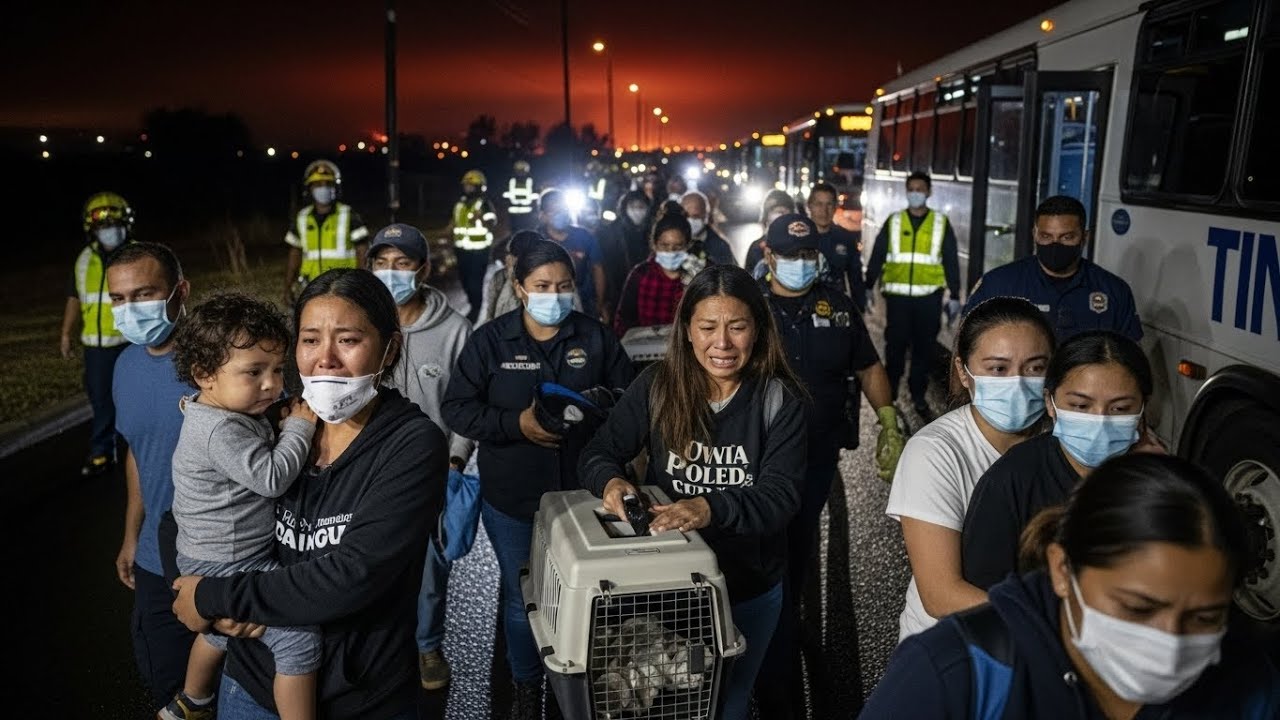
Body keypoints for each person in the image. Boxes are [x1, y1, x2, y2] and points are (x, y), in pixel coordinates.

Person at [171, 268, 448, 719]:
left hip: (360, 698)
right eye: (310, 339)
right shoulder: (272, 418)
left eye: (348, 340)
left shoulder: (411, 445)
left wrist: (214, 597)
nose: (326, 359)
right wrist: (193, 585)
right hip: (251, 683)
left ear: (389, 348)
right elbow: (188, 505)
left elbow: (350, 575)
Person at [862, 453, 1280, 719]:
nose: (1170, 644)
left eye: (1205, 617)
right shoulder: (955, 675)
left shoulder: (1249, 686)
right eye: (1136, 608)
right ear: (1063, 570)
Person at [580, 263, 807, 720]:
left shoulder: (779, 401)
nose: (721, 343)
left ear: (758, 332)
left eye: (737, 327)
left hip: (748, 588)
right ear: (686, 330)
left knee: (727, 701)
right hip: (670, 587)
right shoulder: (658, 386)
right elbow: (599, 450)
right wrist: (612, 481)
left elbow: (781, 497)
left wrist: (708, 507)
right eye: (707, 327)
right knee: (668, 700)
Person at [441, 239, 635, 719]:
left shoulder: (596, 337)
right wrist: (516, 425)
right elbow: (458, 409)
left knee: (590, 595)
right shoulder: (490, 341)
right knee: (521, 597)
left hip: (584, 495)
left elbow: (633, 402)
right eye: (543, 286)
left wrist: (600, 407)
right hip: (513, 498)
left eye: (564, 286)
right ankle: (526, 687)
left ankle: (582, 684)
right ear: (519, 287)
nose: (554, 295)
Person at [755, 213, 904, 717]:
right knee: (759, 536)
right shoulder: (749, 308)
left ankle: (784, 609)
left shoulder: (836, 307)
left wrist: (888, 419)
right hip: (757, 456)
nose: (800, 264)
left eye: (807, 255)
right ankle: (760, 622)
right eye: (789, 255)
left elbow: (867, 364)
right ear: (768, 255)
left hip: (818, 451)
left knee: (798, 535)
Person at [163, 293, 321, 720]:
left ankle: (192, 700)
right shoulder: (219, 431)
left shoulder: (223, 412)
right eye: (254, 372)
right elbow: (271, 478)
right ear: (203, 375)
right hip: (228, 561)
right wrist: (300, 428)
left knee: (221, 630)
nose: (272, 384)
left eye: (276, 369)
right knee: (297, 638)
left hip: (208, 554)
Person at [885, 296, 1056, 641]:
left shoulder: (1066, 443)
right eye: (998, 369)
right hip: (952, 653)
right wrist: (1057, 631)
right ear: (964, 372)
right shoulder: (935, 452)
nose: (1018, 383)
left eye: (1035, 368)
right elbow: (941, 594)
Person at [961, 330, 1163, 591]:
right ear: (1050, 402)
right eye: (1081, 406)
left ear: (1142, 409)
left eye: (1120, 409)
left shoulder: (1158, 484)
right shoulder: (1011, 481)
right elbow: (983, 593)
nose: (1100, 420)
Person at [366, 223, 475, 691]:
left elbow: (467, 406)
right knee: (367, 567)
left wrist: (454, 461)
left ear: (424, 270)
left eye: (402, 264)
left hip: (432, 473)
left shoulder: (455, 331)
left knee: (430, 568)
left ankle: (427, 646)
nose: (391, 273)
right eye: (381, 263)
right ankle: (376, 651)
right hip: (369, 471)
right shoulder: (361, 323)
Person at [106, 241, 196, 707]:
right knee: (169, 688)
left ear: (180, 292)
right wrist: (130, 535)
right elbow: (139, 454)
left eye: (143, 294)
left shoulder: (223, 363)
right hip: (155, 564)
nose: (130, 310)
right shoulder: (124, 367)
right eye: (118, 299)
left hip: (223, 562)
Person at [964, 195, 1143, 342]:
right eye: (1046, 236)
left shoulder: (1113, 291)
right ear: (1035, 235)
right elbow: (965, 342)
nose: (1055, 245)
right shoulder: (998, 285)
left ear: (1084, 237)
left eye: (1067, 237)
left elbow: (1129, 356)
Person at [864, 171, 962, 421]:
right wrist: (868, 284)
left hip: (928, 299)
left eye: (920, 189)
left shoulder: (940, 223)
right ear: (906, 192)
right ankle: (890, 397)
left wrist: (954, 293)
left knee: (923, 351)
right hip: (898, 300)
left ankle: (918, 396)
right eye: (911, 189)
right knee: (894, 350)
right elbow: (878, 254)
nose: (915, 193)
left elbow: (951, 260)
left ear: (928, 193)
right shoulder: (894, 222)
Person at [63, 191, 134, 477]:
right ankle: (102, 450)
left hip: (132, 342)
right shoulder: (84, 260)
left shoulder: (139, 254)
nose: (108, 231)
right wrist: (66, 333)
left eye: (112, 224)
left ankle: (137, 450)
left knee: (134, 398)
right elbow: (74, 297)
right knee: (101, 400)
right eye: (101, 226)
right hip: (97, 348)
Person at [283, 159, 369, 301]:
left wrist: (361, 283)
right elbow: (294, 253)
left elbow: (363, 251)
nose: (323, 188)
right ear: (309, 189)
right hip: (310, 286)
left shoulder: (348, 214)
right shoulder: (302, 217)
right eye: (317, 185)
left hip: (343, 287)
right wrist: (288, 287)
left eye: (328, 184)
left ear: (335, 187)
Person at [612, 211, 705, 337]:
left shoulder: (698, 276)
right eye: (665, 246)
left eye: (678, 246)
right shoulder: (640, 274)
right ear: (654, 245)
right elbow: (624, 318)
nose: (671, 252)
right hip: (644, 347)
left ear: (688, 245)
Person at [537, 188, 608, 323]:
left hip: (585, 304)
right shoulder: (536, 240)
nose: (560, 214)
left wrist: (600, 303)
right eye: (554, 211)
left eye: (563, 209)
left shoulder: (584, 237)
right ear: (543, 215)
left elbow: (598, 269)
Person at [448, 169, 500, 323]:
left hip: (479, 251)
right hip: (461, 249)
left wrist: (482, 219)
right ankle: (473, 304)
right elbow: (455, 222)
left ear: (479, 187)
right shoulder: (460, 203)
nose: (468, 188)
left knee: (474, 282)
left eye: (471, 185)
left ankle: (475, 311)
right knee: (464, 280)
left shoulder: (484, 203)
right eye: (466, 185)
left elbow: (492, 222)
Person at [806, 181, 868, 310]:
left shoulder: (846, 239)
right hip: (804, 306)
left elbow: (855, 278)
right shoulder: (798, 237)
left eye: (829, 204)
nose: (824, 210)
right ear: (809, 206)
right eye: (819, 204)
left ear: (835, 207)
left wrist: (859, 311)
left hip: (835, 306)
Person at [598, 190, 654, 318]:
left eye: (641, 207)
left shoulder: (652, 230)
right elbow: (607, 267)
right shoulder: (612, 232)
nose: (637, 211)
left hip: (647, 290)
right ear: (625, 208)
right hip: (619, 291)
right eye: (633, 207)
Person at [743, 189, 798, 276]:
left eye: (785, 212)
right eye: (777, 212)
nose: (781, 217)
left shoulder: (801, 245)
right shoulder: (757, 248)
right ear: (766, 217)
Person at [680, 190, 735, 265]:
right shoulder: (672, 242)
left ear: (706, 216)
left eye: (695, 216)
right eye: (685, 216)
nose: (689, 221)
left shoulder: (719, 247)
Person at [502, 160, 538, 231]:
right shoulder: (511, 181)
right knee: (515, 234)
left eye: (522, 170)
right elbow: (504, 195)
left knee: (527, 233)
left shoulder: (530, 181)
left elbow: (536, 195)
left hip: (527, 214)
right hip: (514, 214)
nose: (521, 172)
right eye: (519, 170)